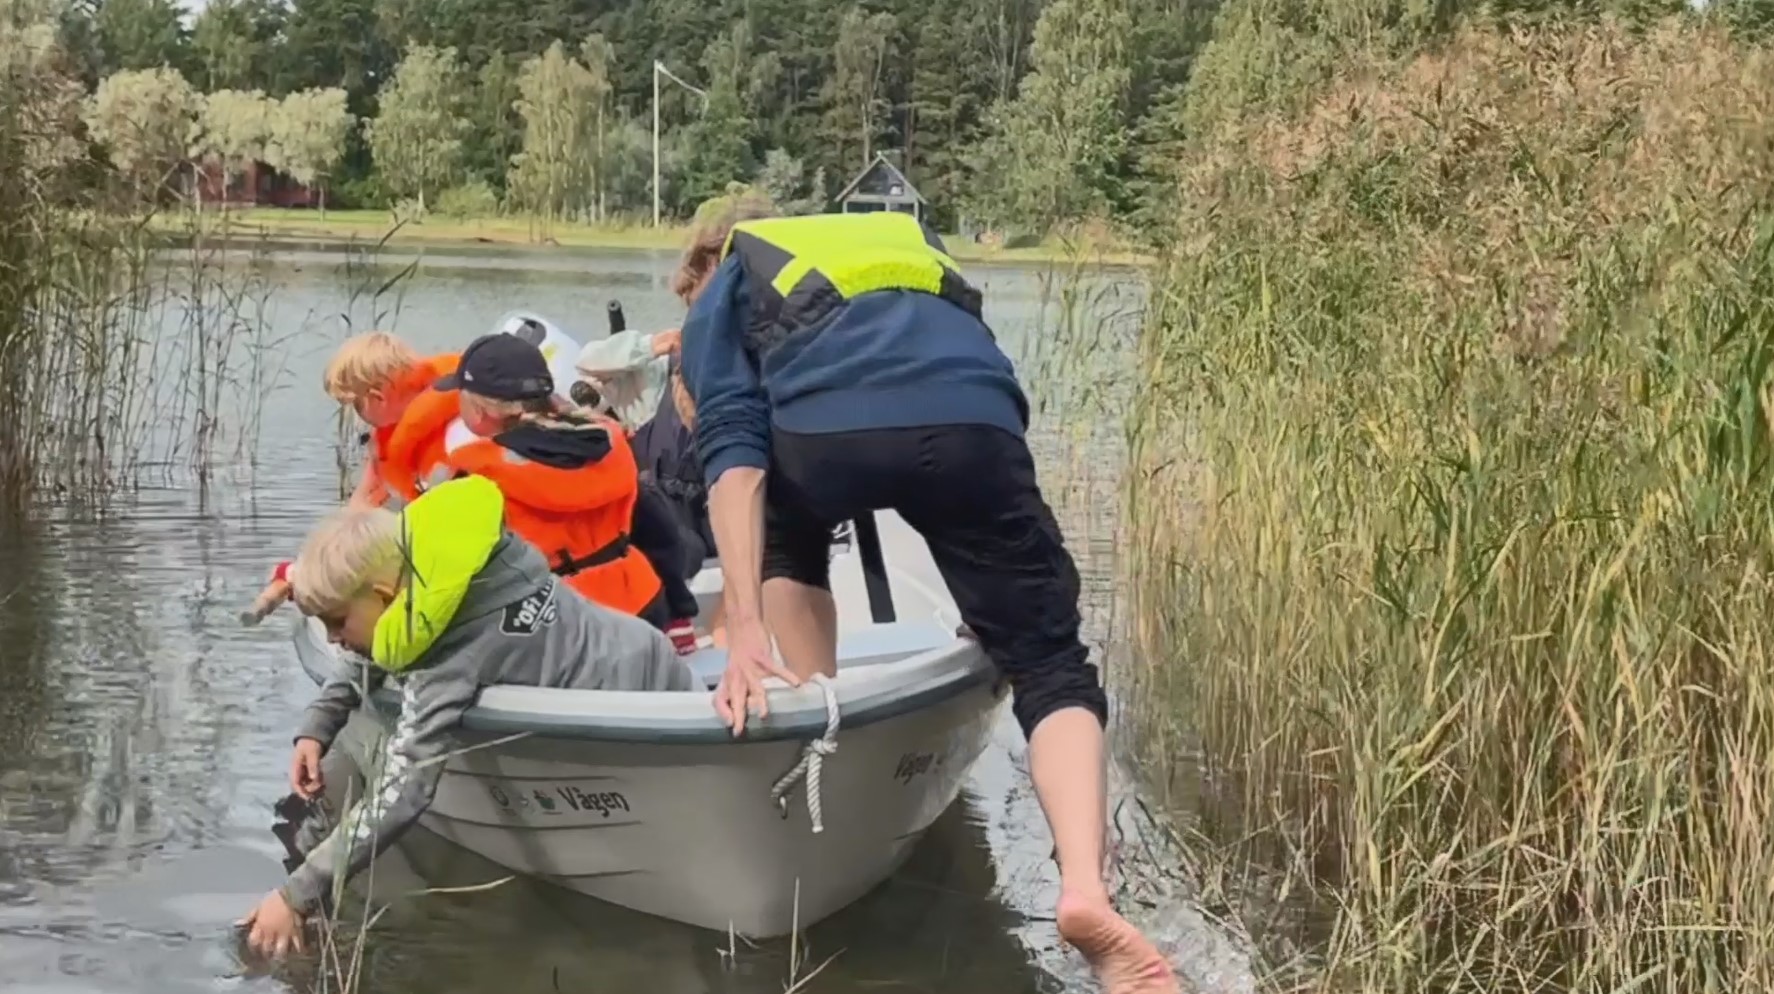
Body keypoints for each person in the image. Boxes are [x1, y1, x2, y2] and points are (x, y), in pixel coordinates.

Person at [675, 206, 1177, 994]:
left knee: (789, 541)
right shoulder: (905, 243)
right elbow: (967, 375)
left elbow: (733, 450)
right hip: (976, 419)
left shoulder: (732, 275)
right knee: (1050, 665)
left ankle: (822, 720)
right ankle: (1084, 886)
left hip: (824, 438)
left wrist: (742, 631)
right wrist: (993, 592)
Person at [239, 475, 696, 959]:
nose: (332, 640)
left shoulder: (449, 654)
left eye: (336, 623)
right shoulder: (453, 566)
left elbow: (402, 790)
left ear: (382, 594)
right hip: (650, 652)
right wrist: (318, 727)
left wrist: (297, 894)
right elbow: (371, 648)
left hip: (628, 714)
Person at [437, 332, 699, 646]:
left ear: (481, 411)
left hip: (556, 628)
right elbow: (658, 529)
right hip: (641, 608)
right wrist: (678, 612)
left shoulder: (474, 479)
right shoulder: (609, 442)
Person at [323, 331, 462, 507]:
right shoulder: (387, 435)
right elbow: (361, 500)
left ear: (378, 398)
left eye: (356, 405)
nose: (359, 416)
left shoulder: (460, 422)